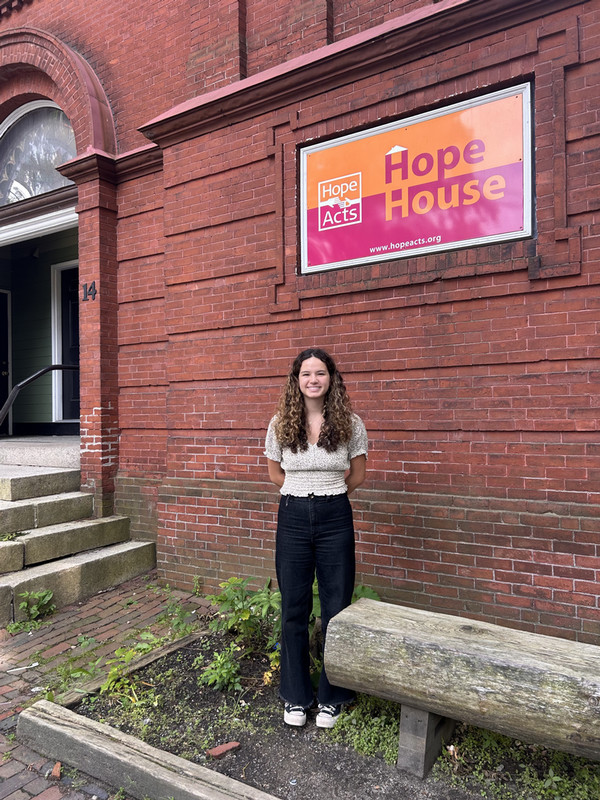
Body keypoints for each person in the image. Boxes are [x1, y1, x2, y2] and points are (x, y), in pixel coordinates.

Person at [264, 347, 368, 729]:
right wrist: (303, 491)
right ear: (296, 380)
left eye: (320, 373)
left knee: (335, 608)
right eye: (306, 373)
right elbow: (276, 475)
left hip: (334, 517)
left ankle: (332, 697)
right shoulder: (279, 424)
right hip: (291, 516)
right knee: (293, 607)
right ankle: (295, 696)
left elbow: (356, 476)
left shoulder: (350, 424)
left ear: (331, 378)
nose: (313, 379)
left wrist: (325, 495)